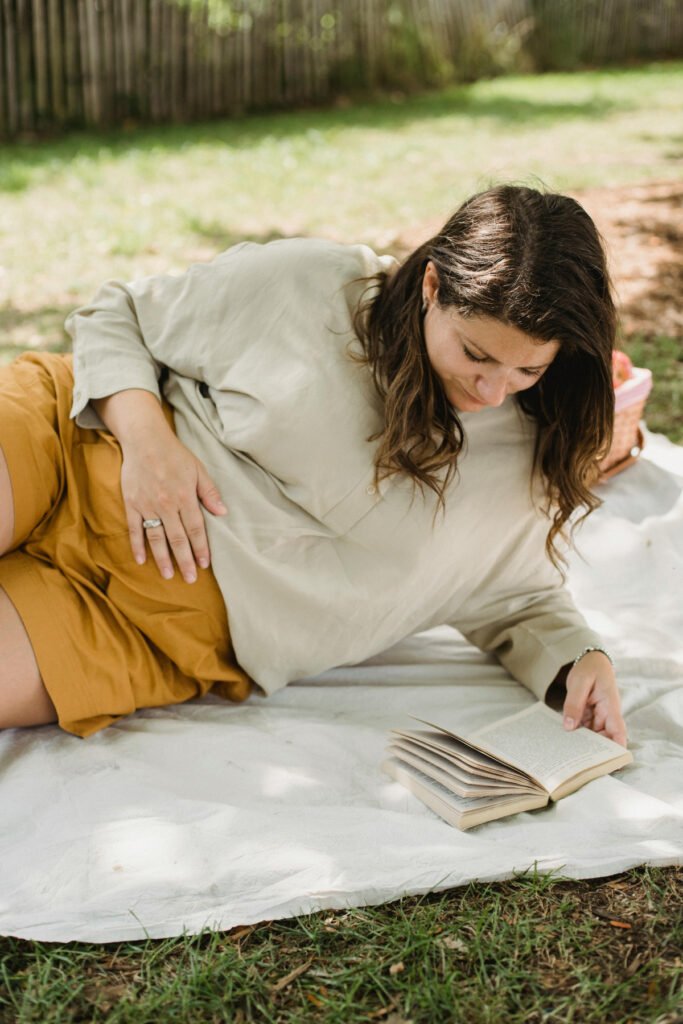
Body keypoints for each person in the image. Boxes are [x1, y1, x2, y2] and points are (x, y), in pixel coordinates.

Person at [0, 184, 627, 745]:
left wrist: (580, 659)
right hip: (71, 444)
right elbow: (120, 315)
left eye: (528, 369)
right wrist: (146, 443)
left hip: (141, 629)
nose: (493, 390)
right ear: (433, 287)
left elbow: (514, 593)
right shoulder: (317, 283)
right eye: (474, 354)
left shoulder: (530, 454)